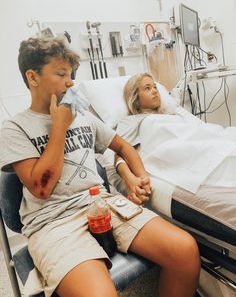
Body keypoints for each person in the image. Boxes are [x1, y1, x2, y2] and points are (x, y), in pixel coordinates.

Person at [0, 38, 200, 297]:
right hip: (54, 221)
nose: (70, 82)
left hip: (100, 203)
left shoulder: (82, 117)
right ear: (32, 77)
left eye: (70, 74)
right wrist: (59, 126)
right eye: (61, 74)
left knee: (184, 252)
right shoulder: (14, 128)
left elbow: (124, 147)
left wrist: (138, 178)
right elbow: (41, 187)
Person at [113, 72, 236, 212]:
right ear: (135, 97)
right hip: (182, 150)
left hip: (199, 139)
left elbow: (198, 132)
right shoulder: (131, 121)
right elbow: (120, 152)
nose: (154, 91)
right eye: (147, 88)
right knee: (220, 153)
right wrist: (129, 178)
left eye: (155, 87)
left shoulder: (173, 114)